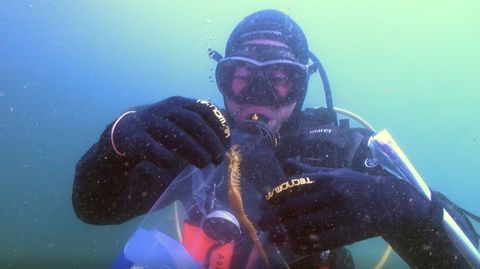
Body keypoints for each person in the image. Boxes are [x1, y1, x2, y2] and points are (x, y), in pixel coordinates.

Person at [72, 9, 478, 268]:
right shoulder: (199, 142)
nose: (258, 97)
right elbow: (94, 208)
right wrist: (120, 137)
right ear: (223, 79)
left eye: (280, 79)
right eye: (242, 77)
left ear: (300, 88)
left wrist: (406, 206)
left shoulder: (340, 151)